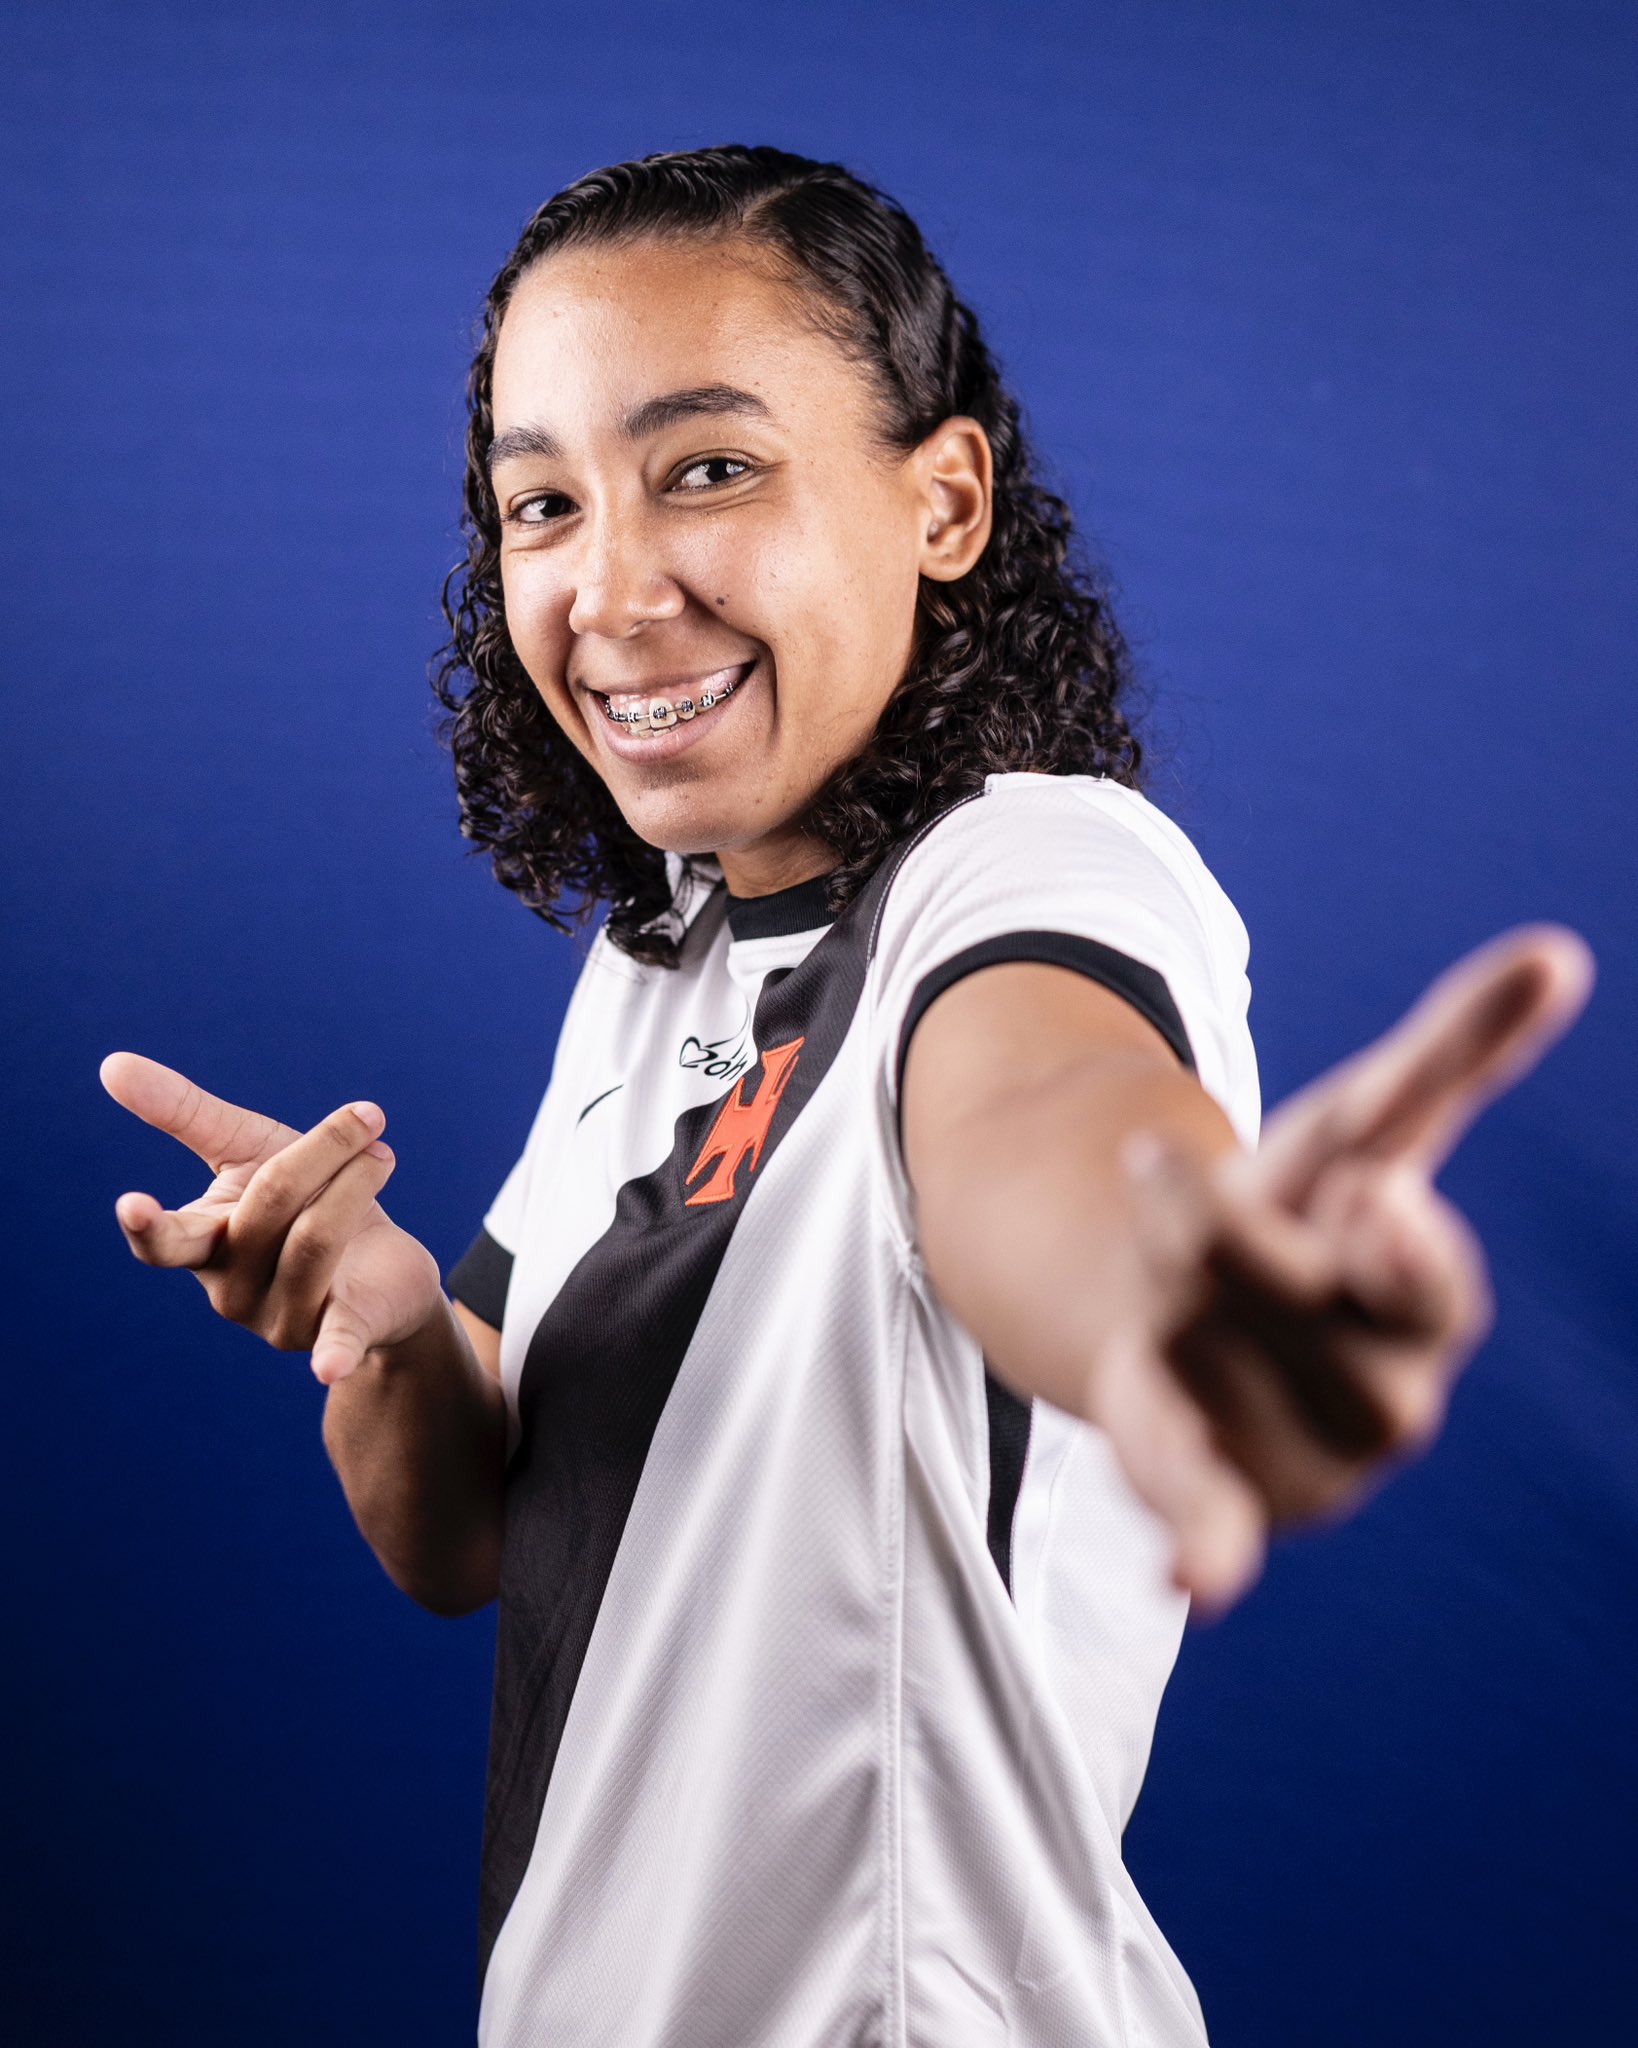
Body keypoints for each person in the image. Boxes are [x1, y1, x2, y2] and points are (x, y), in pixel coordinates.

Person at [100, 146, 1591, 2046]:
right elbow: (462, 1544)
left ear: (941, 500)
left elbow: (1033, 1124)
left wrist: (1157, 1280)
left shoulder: (1034, 869)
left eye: (707, 469)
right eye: (543, 503)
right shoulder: (659, 959)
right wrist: (388, 1334)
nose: (611, 587)